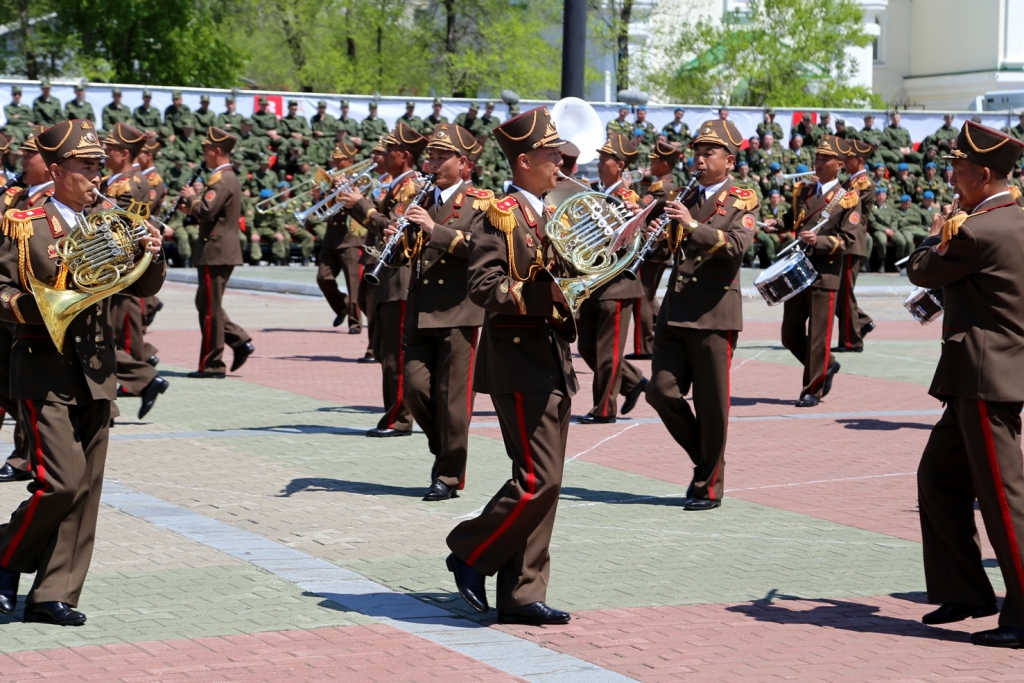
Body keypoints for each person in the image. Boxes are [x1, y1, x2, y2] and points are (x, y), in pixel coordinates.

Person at [0, 119, 165, 625]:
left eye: (97, 165)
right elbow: (2, 290)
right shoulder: (25, 223)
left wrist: (152, 254)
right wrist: (42, 306)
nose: (94, 175)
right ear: (56, 170)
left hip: (97, 369)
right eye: (83, 167)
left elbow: (141, 286)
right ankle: (5, 557)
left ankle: (55, 594)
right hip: (42, 368)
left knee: (87, 489)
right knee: (61, 483)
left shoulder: (112, 219)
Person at [445, 105, 576, 626]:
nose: (561, 164)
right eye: (552, 155)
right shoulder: (496, 214)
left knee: (550, 482)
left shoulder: (551, 212)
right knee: (535, 478)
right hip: (517, 358)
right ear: (524, 160)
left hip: (553, 356)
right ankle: (469, 551)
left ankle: (522, 592)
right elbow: (482, 287)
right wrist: (545, 296)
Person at [906, 121, 1024, 648]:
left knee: (1004, 498)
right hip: (983, 374)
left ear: (981, 173)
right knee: (938, 477)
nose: (951, 175)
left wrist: (937, 232)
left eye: (957, 168)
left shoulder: (975, 230)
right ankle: (967, 591)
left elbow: (923, 271)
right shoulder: (1011, 218)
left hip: (983, 376)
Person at [644, 118, 756, 511]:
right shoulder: (682, 195)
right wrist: (649, 235)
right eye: (698, 151)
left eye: (710, 152)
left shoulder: (742, 198)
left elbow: (736, 246)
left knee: (712, 405)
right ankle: (706, 461)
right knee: (660, 391)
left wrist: (691, 225)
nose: (702, 158)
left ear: (729, 159)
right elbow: (665, 253)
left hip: (714, 311)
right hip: (676, 310)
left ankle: (710, 484)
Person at [386, 123, 488, 501]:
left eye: (439, 157)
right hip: (421, 308)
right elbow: (406, 255)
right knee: (413, 388)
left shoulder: (482, 202)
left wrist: (434, 229)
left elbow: (482, 248)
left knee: (453, 401)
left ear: (463, 163)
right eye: (430, 155)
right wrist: (394, 243)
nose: (431, 162)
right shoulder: (420, 198)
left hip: (458, 310)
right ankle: (445, 448)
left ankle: (448, 475)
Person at [340, 122, 426, 437]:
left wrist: (360, 205)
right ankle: (396, 414)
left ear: (404, 155)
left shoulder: (412, 187)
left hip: (400, 279)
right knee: (382, 348)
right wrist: (355, 203)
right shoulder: (395, 184)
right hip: (387, 275)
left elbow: (395, 226)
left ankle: (399, 419)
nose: (383, 155)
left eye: (389, 150)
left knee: (395, 355)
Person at [765, 136, 858, 407]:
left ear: (839, 164)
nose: (817, 163)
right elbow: (792, 219)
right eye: (816, 158)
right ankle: (827, 365)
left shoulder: (847, 198)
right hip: (797, 271)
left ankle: (812, 389)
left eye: (824, 159)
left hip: (824, 272)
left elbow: (848, 239)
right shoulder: (804, 191)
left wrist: (821, 241)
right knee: (790, 334)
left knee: (819, 336)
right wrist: (777, 224)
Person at [95, 122, 169, 418]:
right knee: (103, 338)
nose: (105, 153)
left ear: (123, 153)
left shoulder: (129, 184)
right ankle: (115, 399)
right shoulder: (116, 180)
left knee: (104, 340)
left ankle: (142, 381)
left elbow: (115, 225)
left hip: (118, 270)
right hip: (111, 269)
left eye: (110, 149)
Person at [576, 133, 648, 424]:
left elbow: (632, 241)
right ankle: (633, 381)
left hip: (617, 284)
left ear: (620, 165)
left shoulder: (628, 199)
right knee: (587, 348)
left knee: (607, 353)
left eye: (605, 158)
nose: (599, 161)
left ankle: (604, 409)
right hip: (592, 281)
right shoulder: (594, 192)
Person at [179, 127, 255, 378]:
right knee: (206, 303)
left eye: (207, 150)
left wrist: (192, 199)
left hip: (216, 250)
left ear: (217, 151)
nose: (204, 154)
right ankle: (239, 340)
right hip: (216, 248)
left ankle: (212, 364)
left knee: (210, 308)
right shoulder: (222, 177)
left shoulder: (221, 179)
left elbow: (208, 211)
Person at [0, 127, 51, 484]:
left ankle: (28, 455)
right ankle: (27, 451)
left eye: (28, 154)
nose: (22, 158)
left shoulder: (47, 201)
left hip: (28, 303)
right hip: (7, 298)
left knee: (21, 381)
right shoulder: (19, 195)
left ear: (48, 165)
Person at [628, 140, 679, 360]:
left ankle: (644, 347)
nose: (653, 165)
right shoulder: (667, 183)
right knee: (648, 298)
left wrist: (626, 187)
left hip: (653, 246)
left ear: (665, 164)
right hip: (659, 245)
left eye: (656, 161)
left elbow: (642, 205)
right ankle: (666, 329)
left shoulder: (663, 187)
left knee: (642, 298)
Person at [315, 143, 366, 331]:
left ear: (350, 161)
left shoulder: (360, 179)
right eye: (334, 159)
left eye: (339, 159)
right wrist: (320, 194)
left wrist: (344, 186)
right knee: (323, 277)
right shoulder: (330, 179)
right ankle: (342, 306)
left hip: (351, 237)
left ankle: (355, 322)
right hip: (332, 237)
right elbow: (322, 209)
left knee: (354, 283)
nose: (335, 162)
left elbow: (356, 203)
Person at [833, 137, 876, 353]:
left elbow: (844, 204)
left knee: (843, 293)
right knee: (841, 292)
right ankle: (862, 322)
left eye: (848, 158)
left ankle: (851, 341)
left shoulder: (863, 184)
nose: (844, 161)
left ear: (859, 160)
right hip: (846, 243)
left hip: (852, 243)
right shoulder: (850, 182)